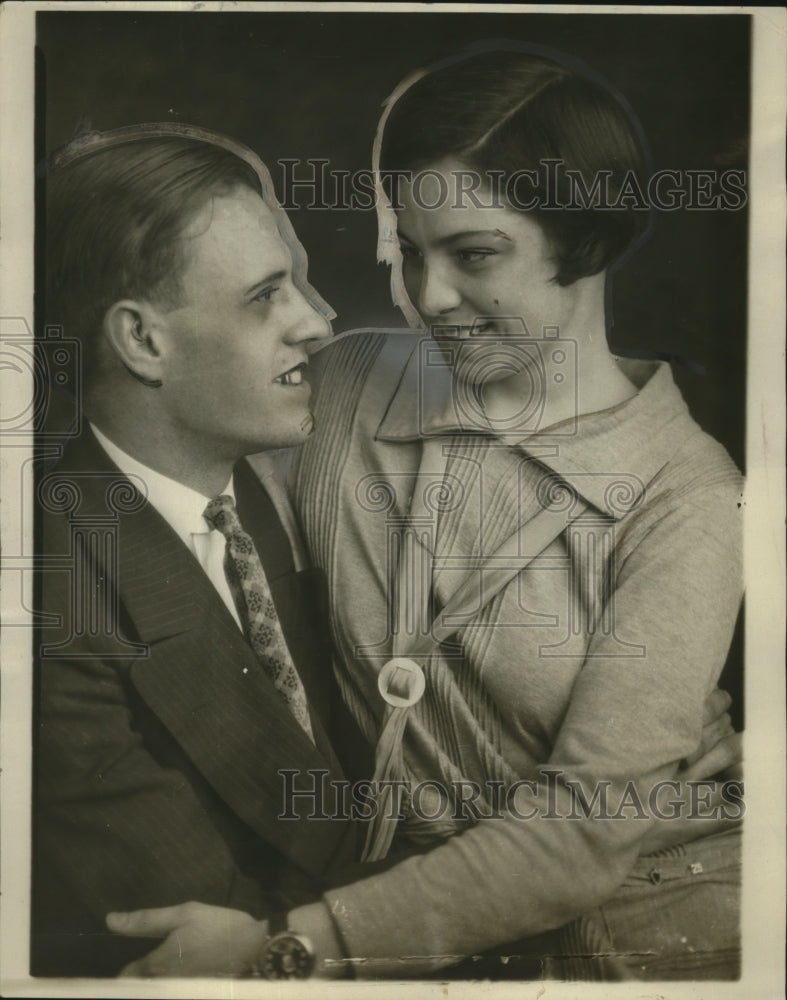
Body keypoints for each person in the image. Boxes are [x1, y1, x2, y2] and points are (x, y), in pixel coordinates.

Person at [109, 48, 745, 980]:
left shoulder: (687, 496)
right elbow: (156, 463)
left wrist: (286, 949)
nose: (427, 295)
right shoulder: (347, 384)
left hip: (660, 938)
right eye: (408, 250)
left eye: (474, 254)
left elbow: (576, 842)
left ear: (590, 239)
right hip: (428, 937)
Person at [32, 127, 373, 977]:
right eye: (266, 296)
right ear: (143, 342)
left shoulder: (257, 482)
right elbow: (208, 946)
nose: (318, 321)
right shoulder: (47, 602)